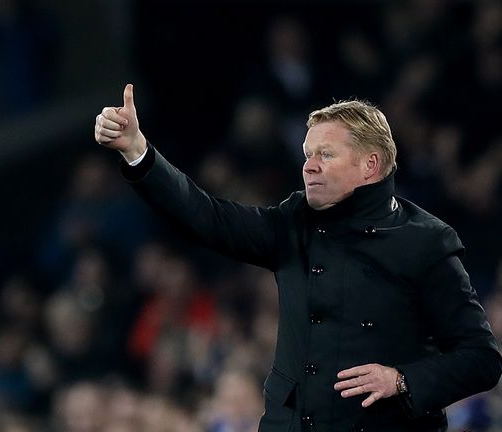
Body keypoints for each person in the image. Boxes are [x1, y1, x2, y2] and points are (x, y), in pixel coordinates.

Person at [93, 84, 502, 432]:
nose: (308, 166)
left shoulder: (427, 242)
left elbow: (481, 359)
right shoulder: (293, 223)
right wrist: (137, 151)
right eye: (307, 154)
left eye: (325, 154)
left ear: (370, 165)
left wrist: (402, 380)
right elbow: (207, 217)